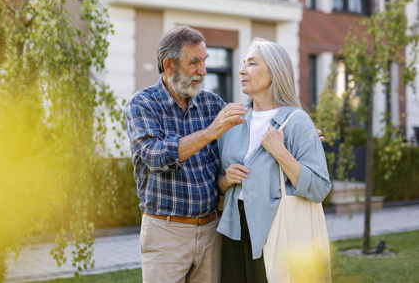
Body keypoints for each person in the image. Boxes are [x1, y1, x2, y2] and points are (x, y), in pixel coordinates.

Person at [124, 25, 248, 283]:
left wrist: (293, 129)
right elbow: (154, 155)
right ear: (169, 66)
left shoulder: (211, 103)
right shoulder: (142, 104)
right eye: (194, 62)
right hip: (165, 232)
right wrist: (209, 133)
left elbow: (250, 127)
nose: (203, 71)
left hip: (211, 230)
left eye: (204, 61)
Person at [216, 38, 332, 282]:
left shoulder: (298, 121)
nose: (241, 70)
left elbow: (320, 188)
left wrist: (280, 152)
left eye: (252, 63)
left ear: (274, 73)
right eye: (243, 63)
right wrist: (225, 181)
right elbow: (215, 179)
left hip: (276, 229)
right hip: (234, 228)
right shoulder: (234, 121)